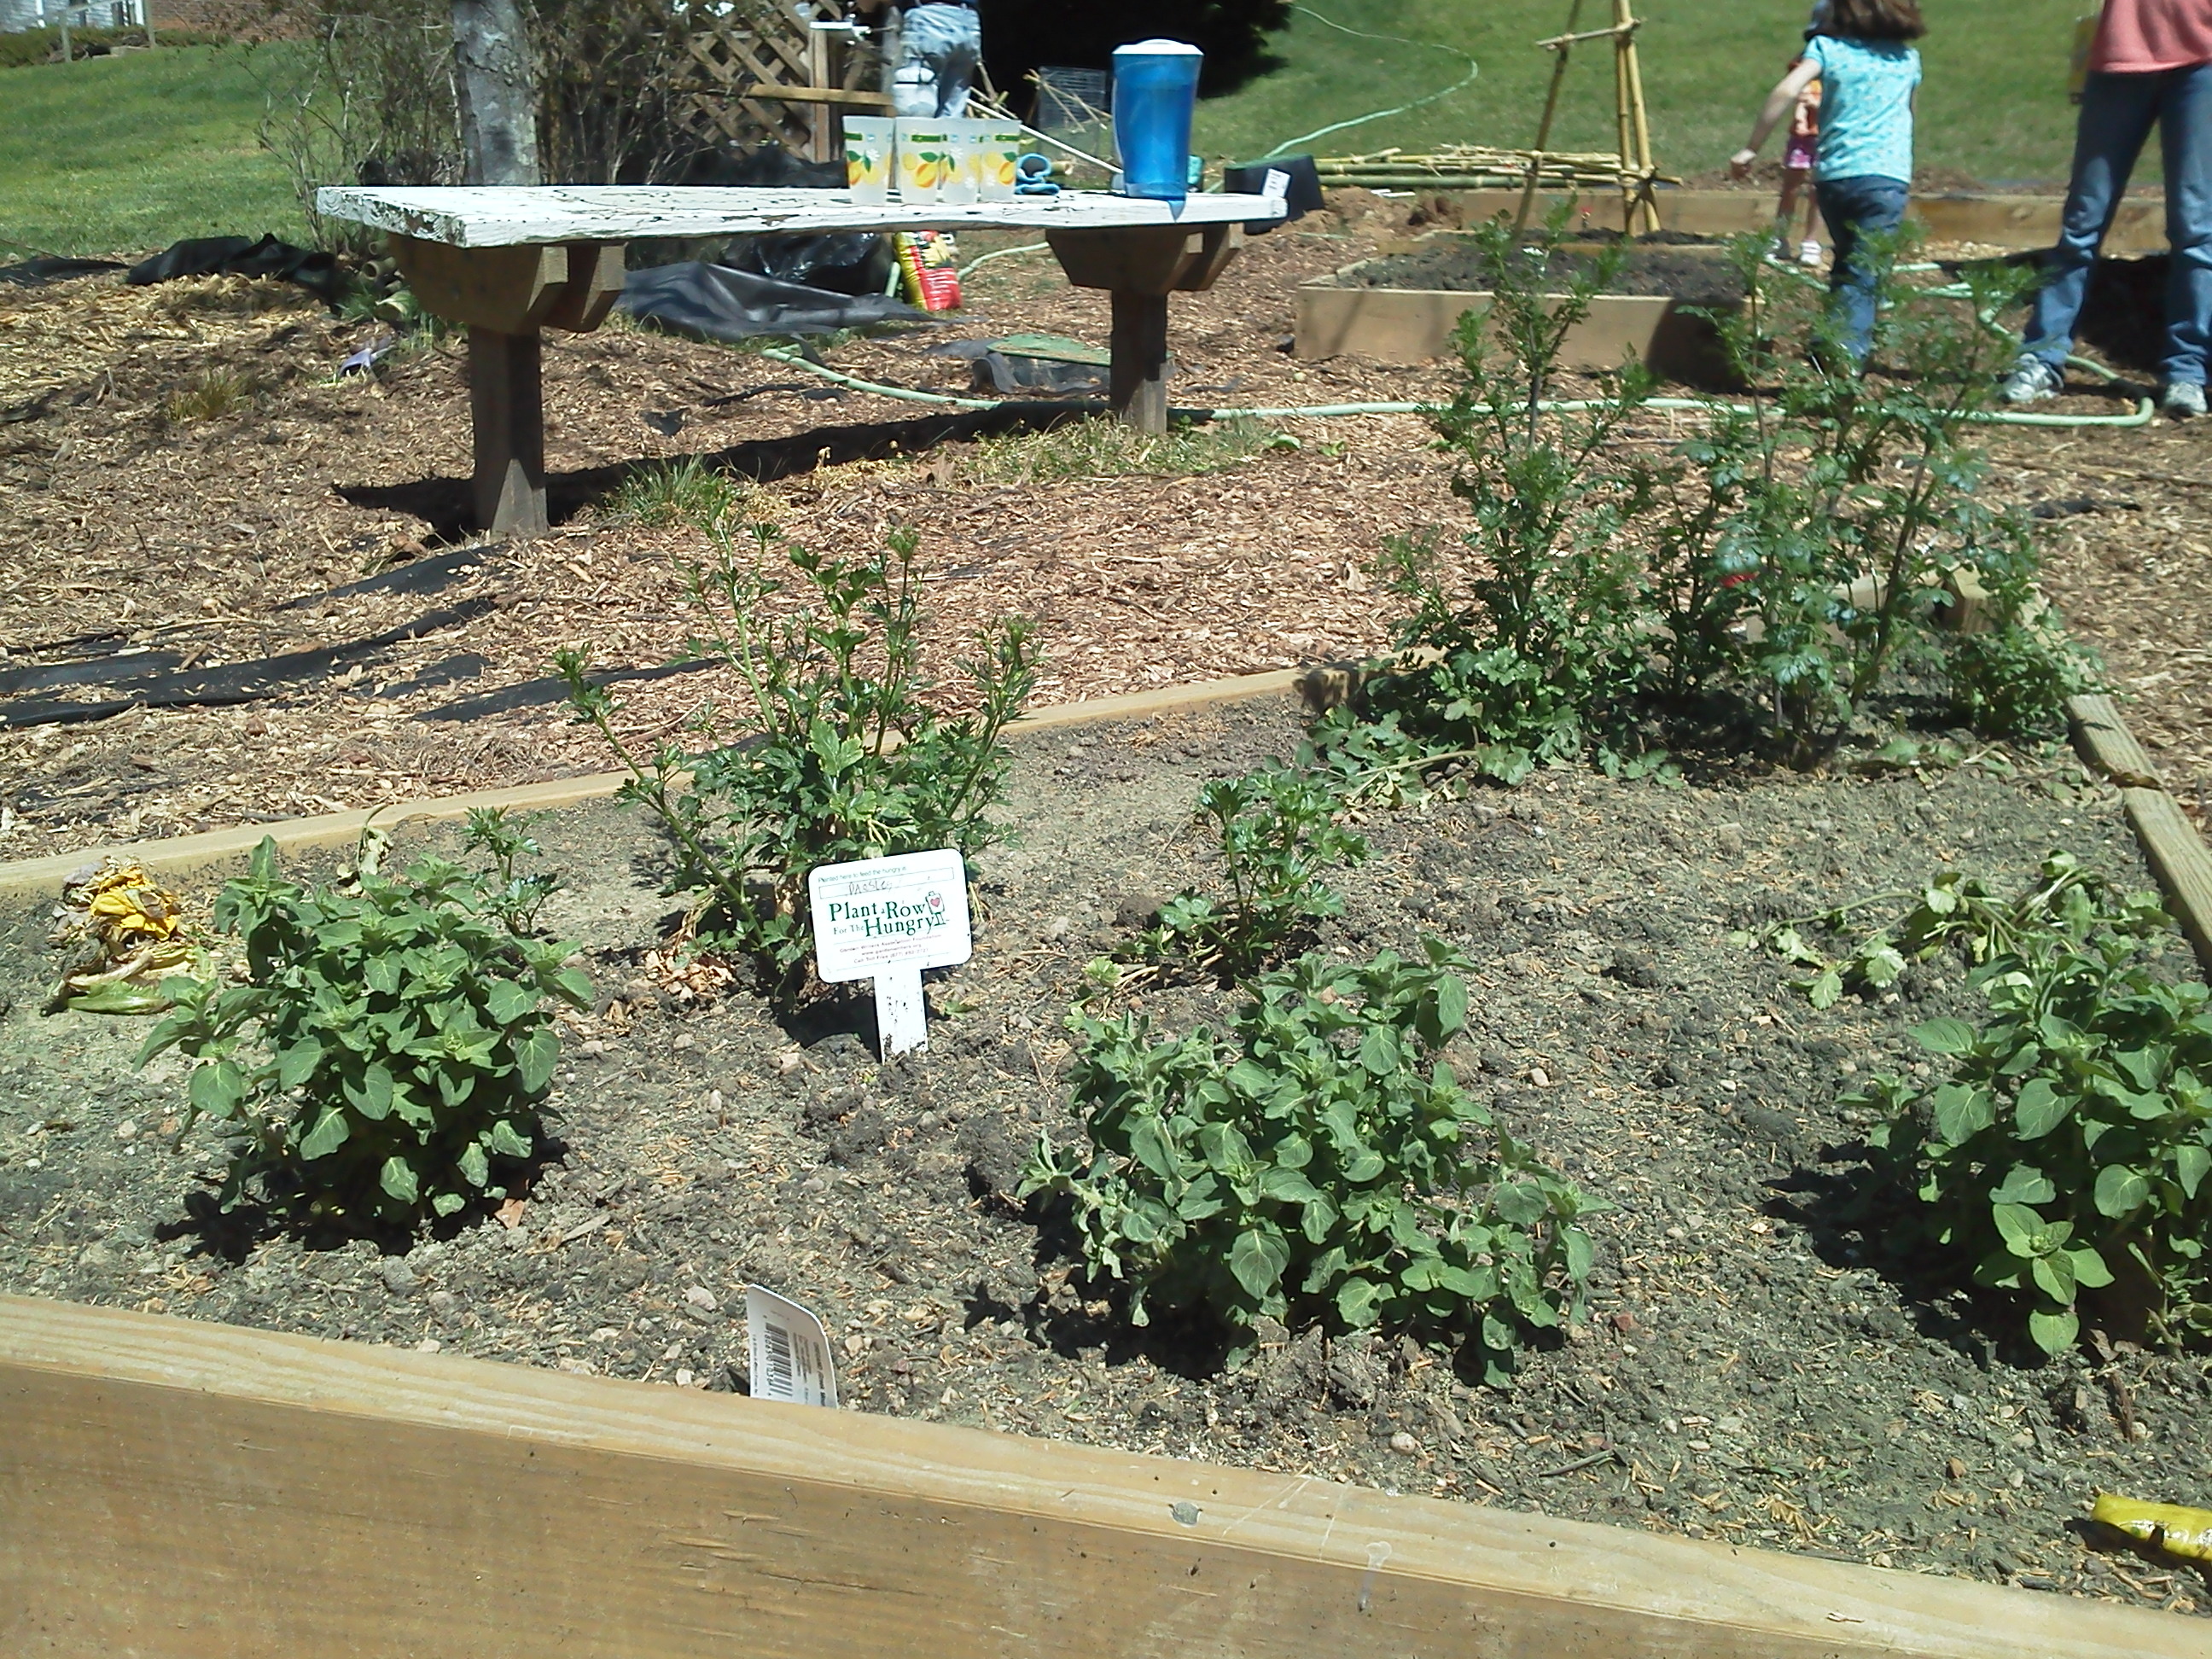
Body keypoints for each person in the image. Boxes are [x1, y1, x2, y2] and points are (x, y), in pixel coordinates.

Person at [2000, 0, 2212, 419]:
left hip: (2201, 61)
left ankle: (2187, 370)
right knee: (2082, 222)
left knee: (2195, 228)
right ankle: (2041, 358)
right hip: (2121, 59)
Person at [1732, 0, 1926, 366]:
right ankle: (1845, 364)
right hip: (1886, 178)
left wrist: (1750, 148)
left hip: (1833, 180)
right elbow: (1909, 114)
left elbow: (1787, 91)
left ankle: (1824, 344)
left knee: (1848, 262)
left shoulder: (1828, 49)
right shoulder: (1906, 59)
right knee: (1865, 275)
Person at [855, 0, 982, 119]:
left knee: (914, 109)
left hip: (930, 20)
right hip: (970, 23)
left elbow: (867, 5)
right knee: (951, 116)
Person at [1776, 69, 1828, 266]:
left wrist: (1818, 105)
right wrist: (1800, 116)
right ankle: (1779, 238)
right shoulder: (1807, 78)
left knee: (1818, 191)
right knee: (1791, 189)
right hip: (1802, 139)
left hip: (1826, 137)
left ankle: (1811, 243)